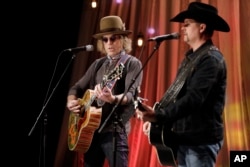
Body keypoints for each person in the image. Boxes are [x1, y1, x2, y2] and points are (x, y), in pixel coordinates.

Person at [136, 2, 230, 167]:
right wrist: (156, 120)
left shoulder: (211, 60)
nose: (182, 28)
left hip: (200, 143)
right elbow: (177, 98)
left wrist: (159, 116)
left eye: (187, 24)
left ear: (201, 28)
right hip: (184, 139)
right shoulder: (190, 57)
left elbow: (193, 100)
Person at [67, 15, 143, 167]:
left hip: (114, 131)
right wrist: (71, 101)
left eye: (113, 38)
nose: (109, 43)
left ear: (122, 39)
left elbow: (130, 94)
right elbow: (76, 87)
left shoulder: (132, 63)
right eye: (105, 39)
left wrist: (113, 98)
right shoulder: (97, 64)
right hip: (91, 131)